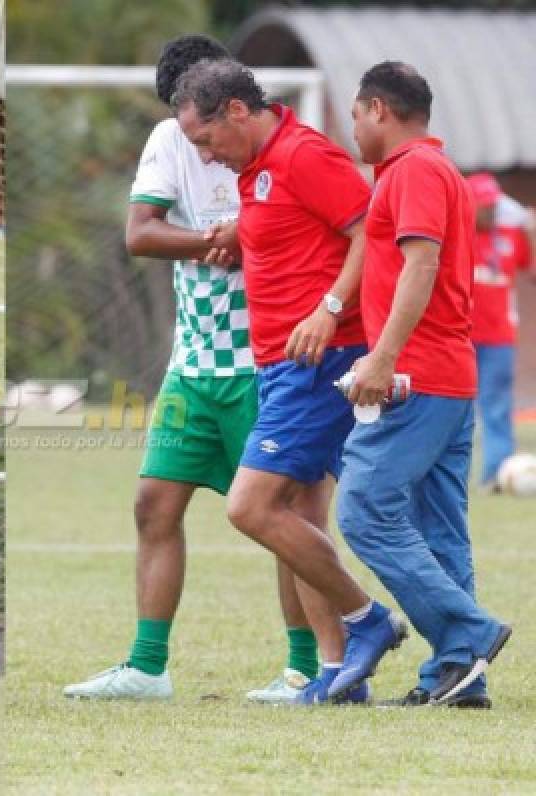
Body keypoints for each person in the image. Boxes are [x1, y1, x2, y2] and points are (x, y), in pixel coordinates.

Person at [62, 36, 328, 705]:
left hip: (268, 365)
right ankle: (147, 667)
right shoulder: (169, 140)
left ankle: (304, 669)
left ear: (226, 104)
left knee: (284, 517)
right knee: (153, 504)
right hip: (195, 366)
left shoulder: (288, 149)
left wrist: (260, 243)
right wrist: (218, 240)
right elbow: (140, 234)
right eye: (181, 117)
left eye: (198, 119)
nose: (196, 139)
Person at [174, 58, 396, 704]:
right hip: (277, 365)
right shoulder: (257, 167)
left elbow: (369, 234)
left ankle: (367, 619)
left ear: (236, 112)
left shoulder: (304, 155)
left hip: (316, 364)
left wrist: (328, 310)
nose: (206, 156)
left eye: (205, 139)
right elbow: (298, 225)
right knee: (301, 513)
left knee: (250, 507)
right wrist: (244, 232)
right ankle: (336, 674)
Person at [338, 61, 511, 707]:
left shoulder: (412, 170)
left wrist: (381, 358)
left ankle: (468, 631)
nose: (352, 130)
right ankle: (459, 677)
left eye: (355, 116)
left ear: (379, 108)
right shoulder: (440, 171)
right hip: (450, 375)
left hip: (419, 377)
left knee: (363, 510)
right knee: (440, 532)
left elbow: (422, 262)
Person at [465, 173, 531, 490]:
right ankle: (451, 480)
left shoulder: (510, 235)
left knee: (497, 407)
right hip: (460, 337)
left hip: (499, 339)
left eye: (494, 205)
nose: (491, 212)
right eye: (484, 206)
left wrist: (530, 230)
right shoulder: (455, 236)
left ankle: (495, 477)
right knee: (455, 412)